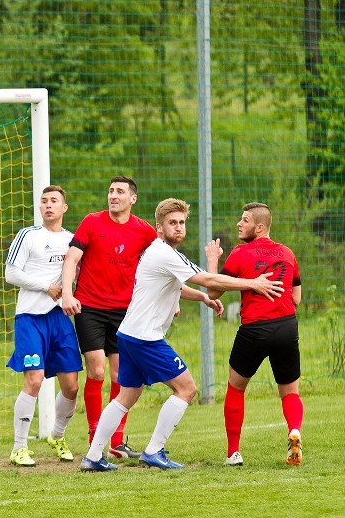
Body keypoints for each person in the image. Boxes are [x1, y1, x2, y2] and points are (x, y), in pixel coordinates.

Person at [80, 198, 284, 472]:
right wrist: (253, 283)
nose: (178, 227)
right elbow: (210, 280)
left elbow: (176, 286)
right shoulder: (163, 253)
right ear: (159, 228)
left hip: (129, 334)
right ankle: (154, 450)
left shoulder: (160, 253)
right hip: (145, 338)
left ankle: (93, 457)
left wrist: (203, 299)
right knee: (186, 388)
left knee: (126, 397)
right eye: (172, 223)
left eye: (182, 222)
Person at [60, 176, 156, 458]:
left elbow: (162, 265)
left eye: (120, 192)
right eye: (111, 191)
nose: (113, 195)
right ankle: (94, 437)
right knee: (97, 370)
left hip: (125, 312)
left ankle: (115, 440)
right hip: (89, 307)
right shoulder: (92, 221)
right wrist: (68, 293)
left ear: (132, 199)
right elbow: (72, 259)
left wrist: (170, 298)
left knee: (120, 375)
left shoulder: (144, 231)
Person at [204, 202, 304, 467]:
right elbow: (297, 297)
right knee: (290, 390)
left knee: (236, 386)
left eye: (245, 220)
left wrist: (212, 259)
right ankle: (294, 430)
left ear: (259, 227)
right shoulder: (287, 252)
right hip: (286, 326)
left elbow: (213, 292)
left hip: (254, 329)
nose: (239, 223)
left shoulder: (239, 253)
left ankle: (233, 453)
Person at [5, 186, 82, 467]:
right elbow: (11, 272)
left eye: (54, 201)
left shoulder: (73, 241)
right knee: (34, 380)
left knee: (72, 387)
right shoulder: (29, 236)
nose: (48, 205)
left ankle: (57, 436)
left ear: (64, 208)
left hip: (60, 319)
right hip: (30, 318)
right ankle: (19, 447)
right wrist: (46, 287)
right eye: (44, 201)